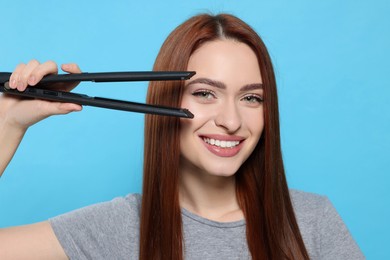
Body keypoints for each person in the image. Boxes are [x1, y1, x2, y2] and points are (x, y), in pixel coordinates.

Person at [0, 13, 364, 260]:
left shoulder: (310, 220)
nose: (231, 120)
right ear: (167, 98)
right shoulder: (120, 225)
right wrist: (8, 124)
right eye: (206, 93)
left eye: (252, 97)